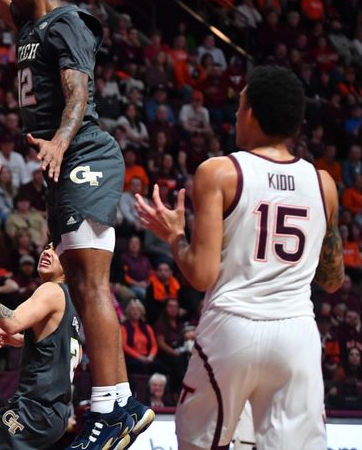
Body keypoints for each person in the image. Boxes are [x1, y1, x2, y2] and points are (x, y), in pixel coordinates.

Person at [0, 0, 152, 446]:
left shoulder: (67, 22)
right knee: (82, 276)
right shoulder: (29, 27)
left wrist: (59, 143)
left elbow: (78, 92)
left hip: (83, 151)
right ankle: (118, 405)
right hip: (65, 161)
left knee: (89, 282)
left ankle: (116, 406)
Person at [135, 66, 345, 449]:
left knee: (201, 442)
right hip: (296, 333)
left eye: (239, 106)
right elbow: (332, 278)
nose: (235, 115)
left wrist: (174, 236)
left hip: (234, 326)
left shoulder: (219, 172)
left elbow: (201, 274)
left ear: (249, 114)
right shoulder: (324, 183)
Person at [0, 245, 81, 449]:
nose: (46, 252)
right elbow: (71, 354)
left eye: (55, 251)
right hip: (45, 410)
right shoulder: (73, 301)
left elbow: (11, 321)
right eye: (46, 248)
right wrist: (22, 340)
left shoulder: (51, 290)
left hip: (35, 409)